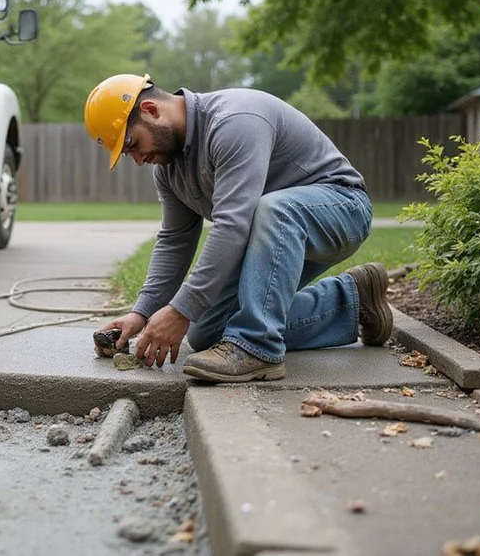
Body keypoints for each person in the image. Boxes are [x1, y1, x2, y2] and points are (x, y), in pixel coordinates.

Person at [83, 74, 392, 382]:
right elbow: (175, 239)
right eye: (128, 154)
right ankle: (351, 300)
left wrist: (179, 311)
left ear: (151, 110)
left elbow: (232, 225)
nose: (137, 160)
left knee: (273, 210)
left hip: (341, 208)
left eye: (132, 144)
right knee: (207, 331)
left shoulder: (233, 121)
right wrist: (142, 313)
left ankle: (258, 348)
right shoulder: (168, 169)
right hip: (274, 235)